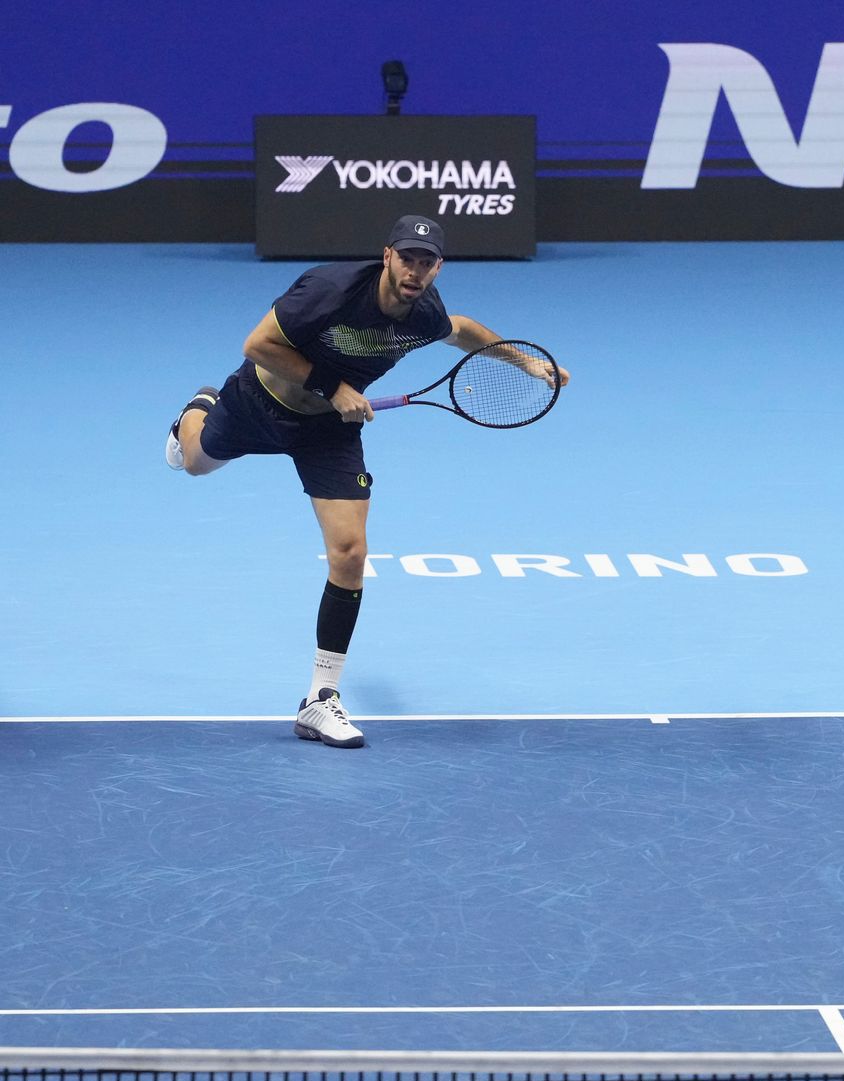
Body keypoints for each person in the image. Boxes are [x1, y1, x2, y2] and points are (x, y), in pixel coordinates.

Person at [164, 213, 568, 747]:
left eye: (427, 263)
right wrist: (333, 386)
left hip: (327, 432)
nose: (415, 271)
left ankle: (320, 698)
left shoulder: (424, 313)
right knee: (194, 460)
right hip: (259, 401)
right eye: (407, 258)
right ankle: (198, 406)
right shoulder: (329, 290)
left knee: (351, 553)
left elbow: (462, 329)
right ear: (387, 256)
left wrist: (523, 364)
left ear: (438, 268)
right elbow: (257, 345)